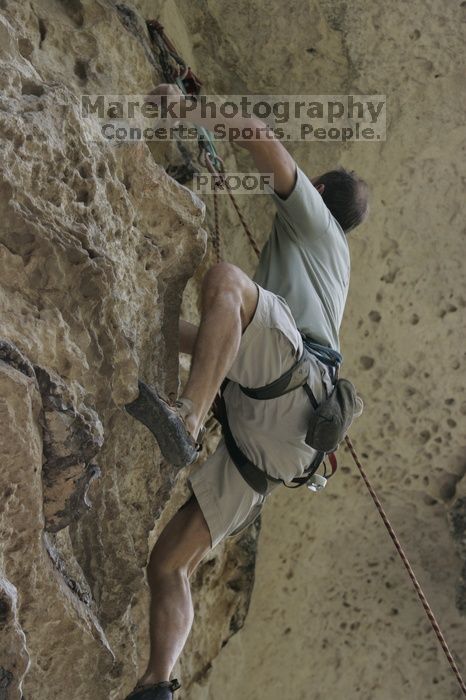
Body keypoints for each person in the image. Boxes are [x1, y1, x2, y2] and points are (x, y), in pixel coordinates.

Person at [124, 85, 369, 700]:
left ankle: (187, 414)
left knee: (226, 282)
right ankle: (158, 685)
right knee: (170, 562)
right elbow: (218, 341)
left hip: (291, 390)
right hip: (280, 447)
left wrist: (185, 109)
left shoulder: (319, 227)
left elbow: (258, 135)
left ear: (317, 193)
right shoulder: (323, 268)